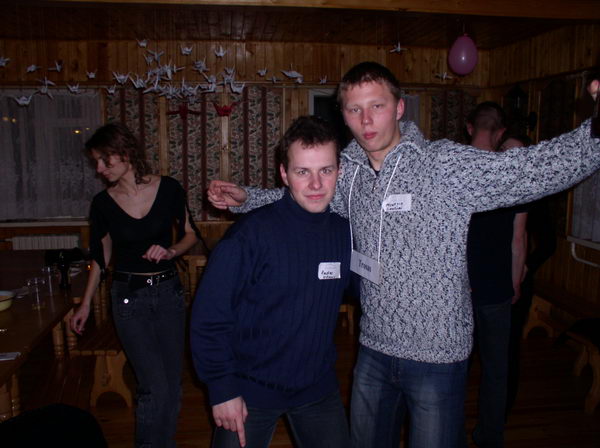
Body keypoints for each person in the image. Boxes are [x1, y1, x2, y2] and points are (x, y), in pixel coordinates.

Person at [207, 62, 600, 448]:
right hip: (373, 349)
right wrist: (248, 198)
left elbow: (530, 170)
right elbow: (308, 195)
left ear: (399, 108)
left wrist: (595, 135)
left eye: (376, 106)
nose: (366, 119)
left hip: (436, 356)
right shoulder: (349, 174)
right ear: (343, 115)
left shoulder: (443, 164)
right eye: (354, 109)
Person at [191, 116, 352, 448]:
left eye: (325, 170)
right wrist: (222, 388)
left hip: (316, 388)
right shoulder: (249, 236)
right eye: (302, 172)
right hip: (249, 389)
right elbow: (209, 317)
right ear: (284, 174)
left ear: (339, 171)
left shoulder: (344, 233)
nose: (316, 184)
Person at [70, 123, 199, 448]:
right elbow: (101, 257)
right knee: (153, 386)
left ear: (125, 153)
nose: (99, 169)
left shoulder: (169, 188)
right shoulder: (103, 203)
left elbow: (190, 234)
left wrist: (171, 251)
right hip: (129, 298)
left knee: (172, 384)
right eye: (96, 162)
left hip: (168, 294)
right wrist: (85, 304)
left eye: (104, 160)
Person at [465, 104, 529, 448]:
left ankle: (448, 433)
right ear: (501, 132)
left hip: (459, 287)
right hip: (497, 287)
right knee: (496, 370)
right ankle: (490, 437)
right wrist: (515, 281)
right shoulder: (512, 177)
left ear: (469, 127)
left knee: (455, 367)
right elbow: (518, 239)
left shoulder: (456, 171)